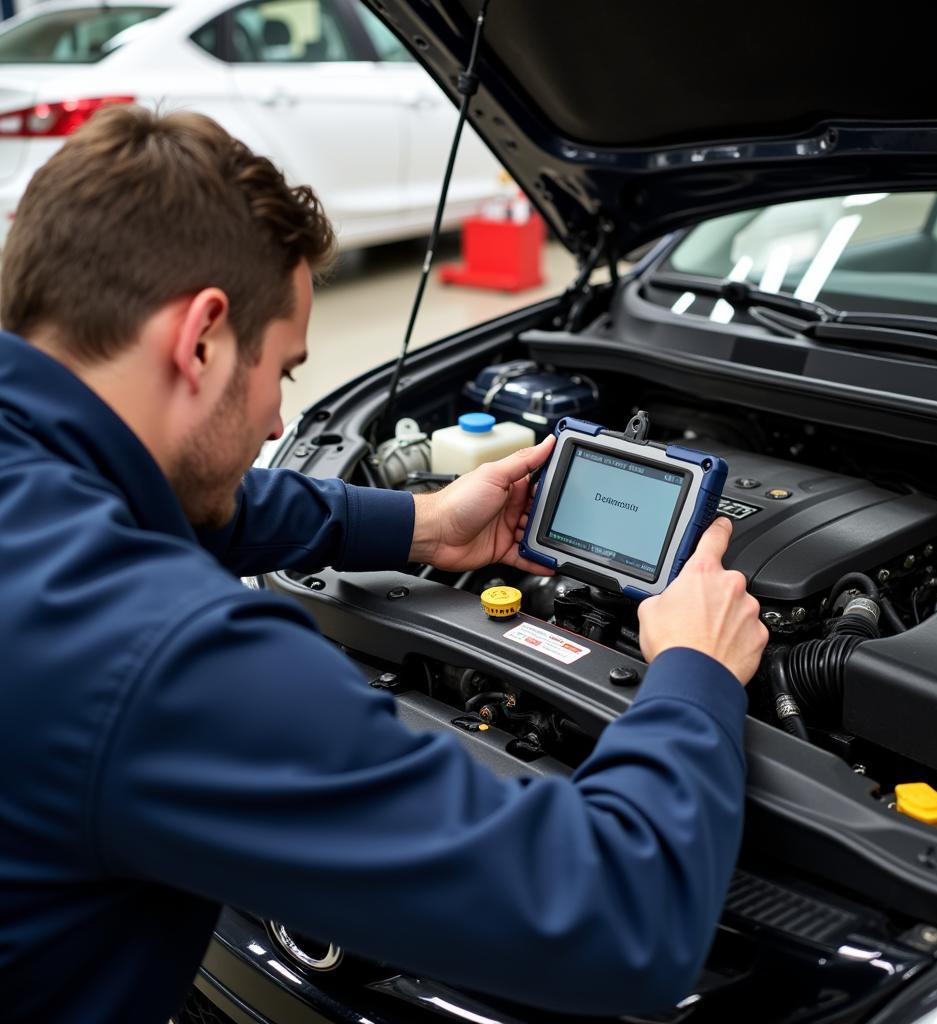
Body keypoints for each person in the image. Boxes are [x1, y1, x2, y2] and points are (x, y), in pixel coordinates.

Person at [0, 106, 768, 1024]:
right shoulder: (150, 657)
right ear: (200, 337)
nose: (280, 426)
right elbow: (618, 917)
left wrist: (421, 522)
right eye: (281, 371)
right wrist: (694, 675)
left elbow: (164, 500)